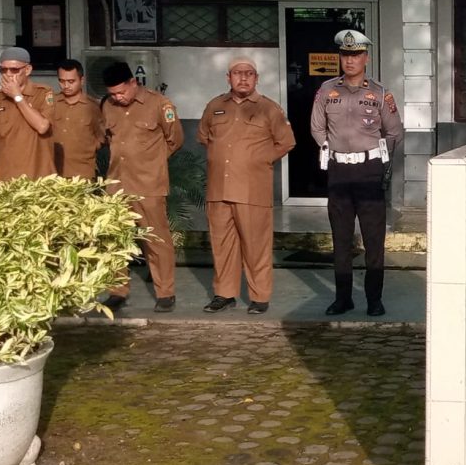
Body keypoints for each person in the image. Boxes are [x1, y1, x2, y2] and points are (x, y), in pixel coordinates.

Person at [310, 30, 404, 317]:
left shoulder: (378, 93)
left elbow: (394, 131)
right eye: (345, 55)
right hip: (339, 171)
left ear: (366, 58)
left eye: (355, 55)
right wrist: (331, 149)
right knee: (340, 238)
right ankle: (343, 298)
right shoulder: (326, 90)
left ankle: (374, 299)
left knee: (374, 239)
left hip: (368, 171)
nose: (350, 60)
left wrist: (377, 158)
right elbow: (316, 127)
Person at [198, 58, 296, 315]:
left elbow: (286, 142)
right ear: (228, 77)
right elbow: (204, 137)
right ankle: (224, 294)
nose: (243, 78)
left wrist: (260, 160)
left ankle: (260, 296)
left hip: (252, 190)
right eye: (237, 74)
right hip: (219, 189)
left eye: (249, 74)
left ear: (257, 78)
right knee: (222, 245)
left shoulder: (269, 109)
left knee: (256, 246)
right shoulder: (215, 106)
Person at [101, 61, 184, 314]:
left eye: (121, 92)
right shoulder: (107, 105)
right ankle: (117, 291)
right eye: (113, 93)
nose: (118, 97)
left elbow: (175, 139)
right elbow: (107, 139)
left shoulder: (160, 104)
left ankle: (165, 292)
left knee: (156, 240)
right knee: (115, 240)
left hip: (149, 184)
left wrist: (152, 162)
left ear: (133, 83)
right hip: (116, 184)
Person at [0, 46, 55, 181]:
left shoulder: (43, 92)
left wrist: (17, 96)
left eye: (14, 70)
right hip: (7, 176)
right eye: (3, 70)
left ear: (28, 70)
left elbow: (42, 127)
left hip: (38, 176)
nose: (8, 74)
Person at [52, 59, 106, 180]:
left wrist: (88, 149)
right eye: (62, 81)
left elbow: (101, 137)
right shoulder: (51, 103)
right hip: (53, 172)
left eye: (71, 81)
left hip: (82, 173)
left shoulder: (93, 106)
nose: (66, 86)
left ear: (81, 80)